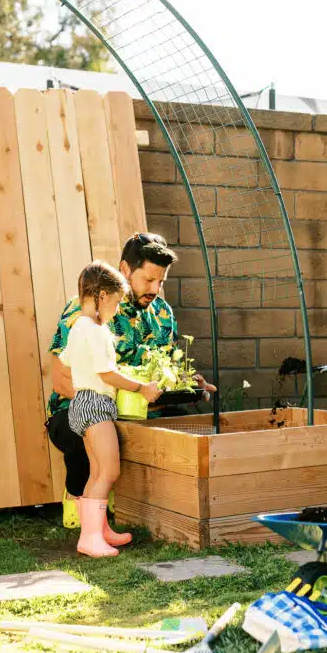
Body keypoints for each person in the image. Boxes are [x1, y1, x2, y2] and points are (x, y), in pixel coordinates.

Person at [46, 232, 216, 530]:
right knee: (91, 429)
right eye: (149, 280)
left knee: (185, 429)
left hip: (145, 410)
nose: (155, 288)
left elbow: (167, 370)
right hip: (83, 408)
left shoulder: (163, 313)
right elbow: (60, 379)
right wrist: (111, 404)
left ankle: (162, 508)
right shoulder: (90, 308)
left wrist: (188, 383)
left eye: (161, 281)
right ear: (125, 269)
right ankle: (78, 494)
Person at [60, 261, 161, 557]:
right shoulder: (96, 330)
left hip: (80, 403)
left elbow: (68, 361)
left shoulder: (78, 326)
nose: (117, 310)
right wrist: (141, 387)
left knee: (96, 472)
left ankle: (97, 531)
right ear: (102, 296)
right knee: (109, 471)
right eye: (116, 302)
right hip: (96, 404)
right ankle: (90, 538)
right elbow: (106, 373)